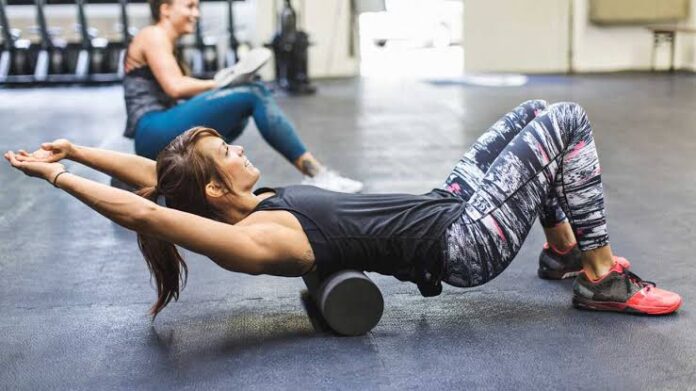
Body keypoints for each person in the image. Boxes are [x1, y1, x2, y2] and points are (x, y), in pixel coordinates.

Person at [5, 101, 682, 319]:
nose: (241, 150)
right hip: (464, 240)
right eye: (228, 153)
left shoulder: (245, 202)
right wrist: (60, 177)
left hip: (446, 202)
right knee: (566, 120)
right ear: (215, 192)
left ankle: (563, 249)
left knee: (535, 116)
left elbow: (158, 178)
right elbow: (150, 211)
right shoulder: (259, 238)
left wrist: (82, 151)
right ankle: (600, 277)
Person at [122, 0, 362, 193]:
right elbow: (175, 87)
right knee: (253, 94)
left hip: (159, 130)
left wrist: (226, 88)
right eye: (190, 6)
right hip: (151, 131)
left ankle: (196, 181)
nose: (196, 14)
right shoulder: (153, 35)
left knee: (241, 111)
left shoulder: (165, 43)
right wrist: (222, 83)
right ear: (165, 9)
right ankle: (317, 174)